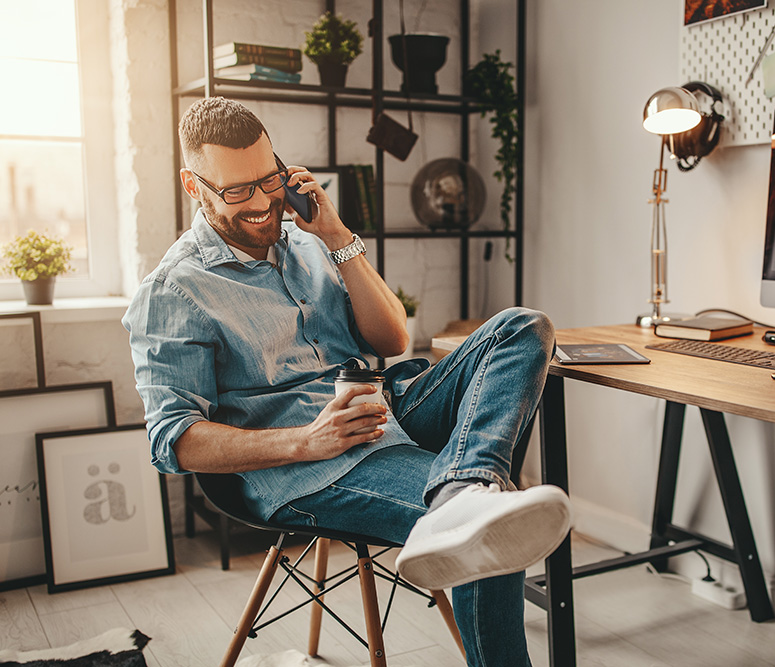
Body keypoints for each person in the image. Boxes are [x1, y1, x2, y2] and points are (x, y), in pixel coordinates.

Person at [122, 97, 572, 666]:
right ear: (194, 186)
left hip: (382, 408)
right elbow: (172, 440)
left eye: (270, 178)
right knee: (491, 525)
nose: (263, 202)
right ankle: (468, 499)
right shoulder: (174, 290)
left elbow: (391, 342)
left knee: (523, 328)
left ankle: (463, 488)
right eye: (238, 190)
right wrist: (308, 440)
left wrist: (336, 235)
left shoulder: (309, 241)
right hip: (307, 464)